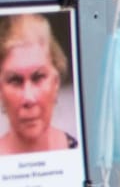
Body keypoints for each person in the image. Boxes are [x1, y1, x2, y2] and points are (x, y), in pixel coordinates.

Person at [0, 12, 76, 154]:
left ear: (56, 82)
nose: (29, 98)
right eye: (15, 80)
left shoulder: (80, 154)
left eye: (38, 77)